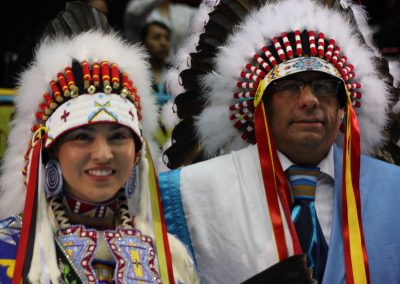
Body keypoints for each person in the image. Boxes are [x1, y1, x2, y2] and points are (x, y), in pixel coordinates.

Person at [159, 0, 400, 283]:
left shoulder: (393, 191)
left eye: (323, 86)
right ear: (262, 104)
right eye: (289, 86)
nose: (309, 100)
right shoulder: (193, 193)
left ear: (343, 108)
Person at [0, 5, 198, 283]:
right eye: (82, 136)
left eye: (118, 136)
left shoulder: (171, 258)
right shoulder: (9, 251)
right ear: (51, 150)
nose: (103, 154)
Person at [141, 21, 176, 150]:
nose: (163, 43)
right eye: (157, 38)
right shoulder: (137, 74)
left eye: (167, 38)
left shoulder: (176, 75)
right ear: (144, 43)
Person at [124, 0, 196, 57]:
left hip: (174, 68)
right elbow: (133, 12)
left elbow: (204, 15)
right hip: (145, 65)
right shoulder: (138, 9)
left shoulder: (184, 11)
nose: (163, 42)